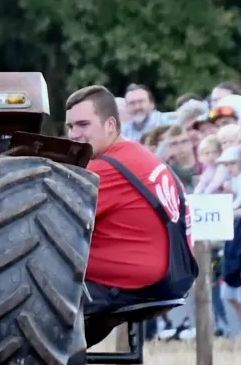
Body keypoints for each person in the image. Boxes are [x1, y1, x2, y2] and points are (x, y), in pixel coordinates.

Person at [63, 85, 183, 313]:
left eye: (83, 125)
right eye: (70, 126)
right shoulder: (138, 154)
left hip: (134, 281)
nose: (73, 134)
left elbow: (56, 218)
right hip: (168, 272)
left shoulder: (104, 169)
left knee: (25, 283)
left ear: (110, 125)